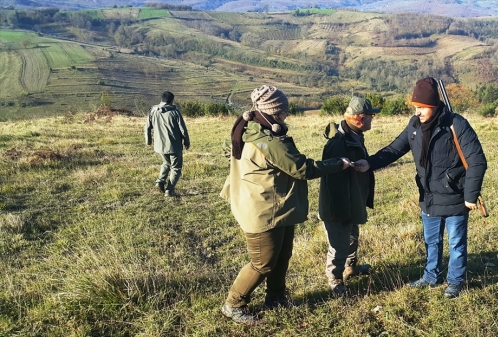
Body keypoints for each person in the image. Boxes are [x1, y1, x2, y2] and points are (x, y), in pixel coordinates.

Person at [220, 85, 352, 325]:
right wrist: (339, 163)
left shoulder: (253, 126)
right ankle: (234, 304)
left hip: (275, 205)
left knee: (282, 256)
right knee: (262, 263)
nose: (287, 115)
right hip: (262, 209)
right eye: (284, 110)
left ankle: (276, 297)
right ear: (275, 110)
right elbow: (302, 168)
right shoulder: (268, 139)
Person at [354, 77, 487, 298]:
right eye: (415, 107)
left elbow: (477, 161)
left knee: (456, 244)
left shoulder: (457, 124)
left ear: (434, 106)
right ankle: (430, 276)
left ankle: (454, 281)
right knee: (431, 240)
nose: (417, 112)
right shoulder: (414, 125)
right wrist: (370, 163)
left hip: (456, 196)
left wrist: (470, 196)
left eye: (422, 107)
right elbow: (395, 149)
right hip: (428, 197)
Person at [318, 96, 377, 295]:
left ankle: (350, 267)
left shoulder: (354, 135)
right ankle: (335, 280)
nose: (372, 119)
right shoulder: (338, 143)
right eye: (370, 116)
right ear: (360, 119)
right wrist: (341, 210)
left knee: (352, 236)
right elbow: (333, 183)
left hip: (352, 199)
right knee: (339, 243)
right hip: (339, 205)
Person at [144, 91, 190, 197]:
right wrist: (187, 142)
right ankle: (169, 190)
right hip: (175, 146)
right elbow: (183, 130)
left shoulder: (153, 110)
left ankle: (159, 182)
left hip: (159, 146)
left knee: (166, 163)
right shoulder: (175, 112)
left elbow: (147, 127)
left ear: (161, 99)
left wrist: (148, 141)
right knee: (176, 168)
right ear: (172, 100)